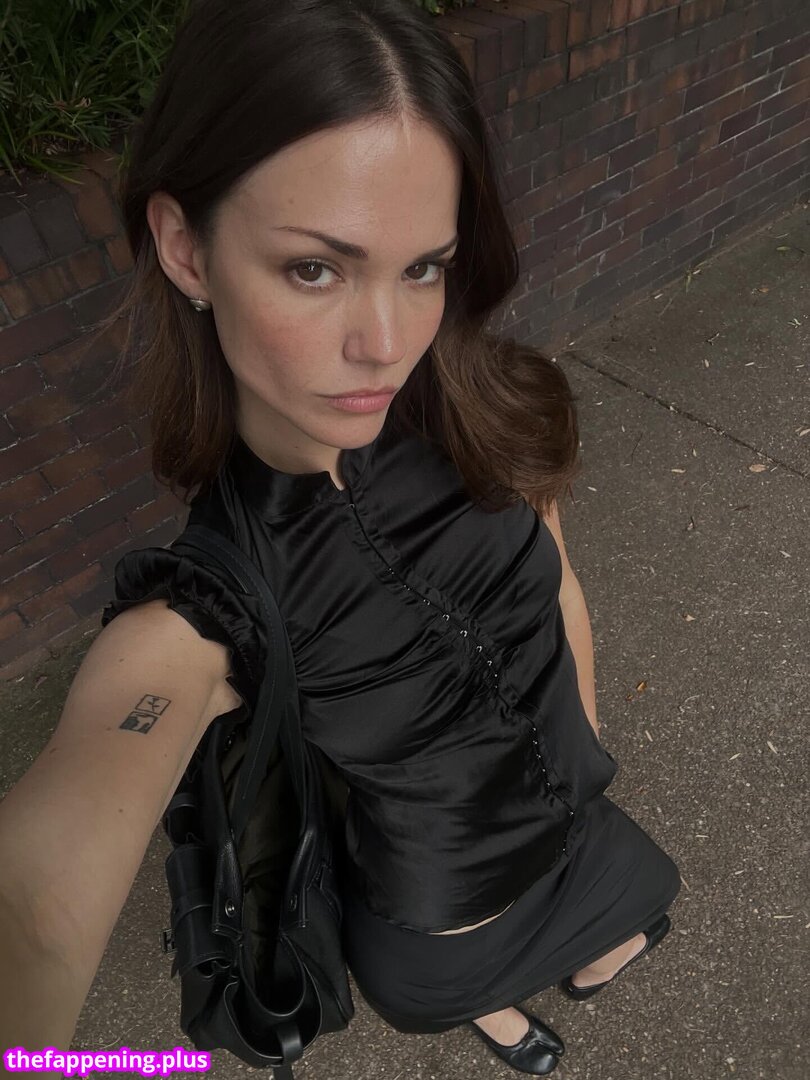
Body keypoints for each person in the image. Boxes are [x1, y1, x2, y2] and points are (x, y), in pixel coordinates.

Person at [0, 0, 682, 1074]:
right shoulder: (204, 614)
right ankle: (494, 1011)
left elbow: (556, 584)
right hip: (441, 927)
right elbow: (37, 908)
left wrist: (581, 750)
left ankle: (559, 969)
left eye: (423, 267)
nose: (386, 343)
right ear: (186, 248)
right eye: (315, 269)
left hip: (580, 825)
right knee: (478, 988)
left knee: (637, 910)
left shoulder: (483, 408)